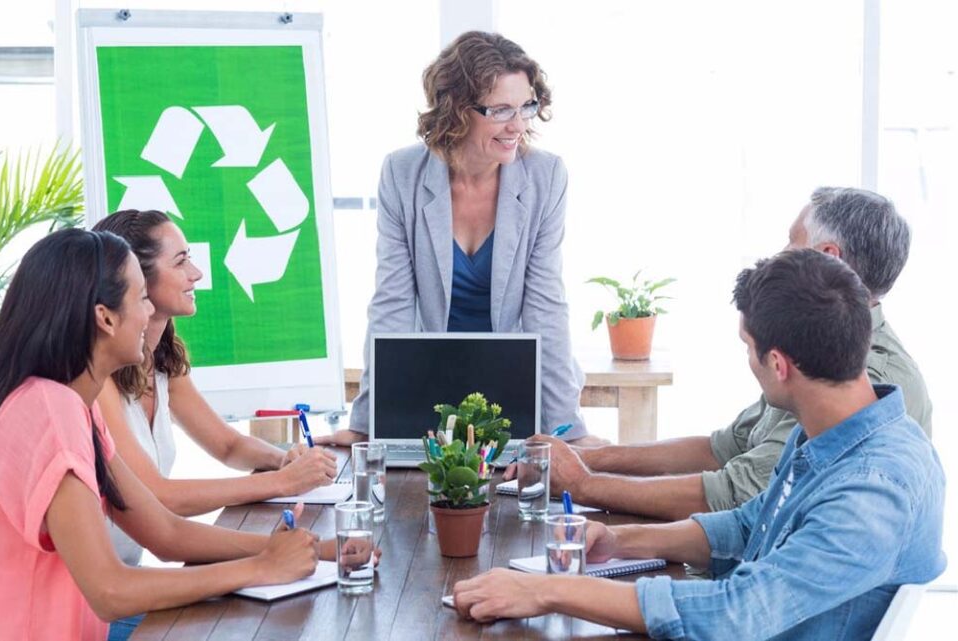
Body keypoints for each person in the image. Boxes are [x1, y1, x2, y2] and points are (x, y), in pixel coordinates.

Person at [452, 249, 946, 640]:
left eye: (747, 348)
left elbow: (737, 612)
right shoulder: (838, 429)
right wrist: (621, 541)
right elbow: (752, 524)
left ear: (778, 364)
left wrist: (547, 591)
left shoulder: (872, 494)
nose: (747, 361)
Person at [0, 229, 371, 640]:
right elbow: (109, 591)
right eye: (142, 298)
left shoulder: (67, 405)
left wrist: (314, 549)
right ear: (105, 318)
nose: (150, 314)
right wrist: (261, 567)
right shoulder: (50, 409)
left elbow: (165, 533)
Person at [520, 187, 932, 520]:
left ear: (826, 258)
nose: (779, 252)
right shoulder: (815, 339)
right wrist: (590, 457)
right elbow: (725, 448)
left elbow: (739, 494)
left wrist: (584, 483)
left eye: (791, 241)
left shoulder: (861, 372)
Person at [316, 31, 597, 447]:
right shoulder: (402, 174)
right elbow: (391, 306)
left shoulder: (545, 176)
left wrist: (568, 434)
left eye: (526, 106)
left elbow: (546, 309)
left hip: (518, 388)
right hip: (430, 386)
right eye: (500, 110)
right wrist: (368, 423)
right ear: (457, 109)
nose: (518, 125)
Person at [90, 211, 336, 554]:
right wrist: (280, 482)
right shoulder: (96, 380)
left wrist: (283, 461)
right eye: (180, 262)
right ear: (136, 278)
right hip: (98, 583)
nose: (197, 273)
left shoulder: (163, 360)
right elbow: (156, 496)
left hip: (130, 571)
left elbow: (228, 446)